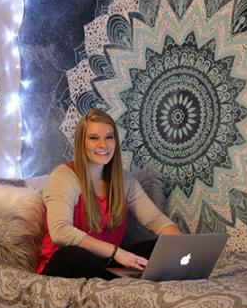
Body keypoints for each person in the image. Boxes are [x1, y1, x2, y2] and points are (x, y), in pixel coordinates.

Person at [37, 108, 182, 279]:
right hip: (64, 264)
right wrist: (117, 253)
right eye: (93, 138)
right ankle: (124, 280)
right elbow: (60, 232)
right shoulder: (64, 177)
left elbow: (155, 220)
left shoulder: (123, 180)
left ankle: (118, 278)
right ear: (81, 143)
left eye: (109, 137)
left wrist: (182, 245)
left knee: (162, 247)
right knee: (73, 255)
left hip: (106, 261)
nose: (103, 145)